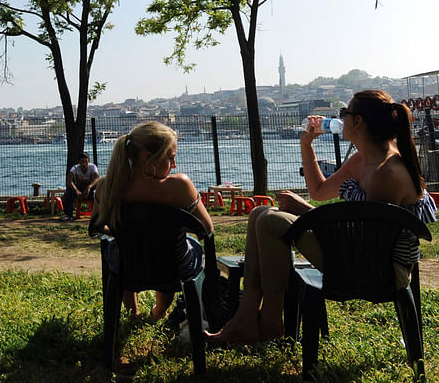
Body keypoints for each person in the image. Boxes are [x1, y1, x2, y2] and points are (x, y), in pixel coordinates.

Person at [207, 90, 437, 344]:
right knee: (261, 213)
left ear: (358, 122)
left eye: (344, 113)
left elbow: (365, 240)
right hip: (356, 252)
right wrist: (307, 145)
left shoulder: (388, 172)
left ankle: (265, 322)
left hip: (376, 267)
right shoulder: (363, 160)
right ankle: (250, 318)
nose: (341, 119)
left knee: (271, 221)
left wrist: (305, 210)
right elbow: (319, 191)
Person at [91, 121, 214, 320]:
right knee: (180, 246)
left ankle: (133, 313)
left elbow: (97, 225)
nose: (174, 165)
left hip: (127, 266)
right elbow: (207, 228)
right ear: (148, 158)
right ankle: (160, 311)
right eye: (170, 158)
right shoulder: (180, 186)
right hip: (173, 269)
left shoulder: (108, 186)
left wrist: (128, 231)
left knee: (122, 247)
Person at [61, 152, 100, 221]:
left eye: (86, 161)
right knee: (68, 193)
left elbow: (97, 178)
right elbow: (69, 180)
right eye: (82, 161)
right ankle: (68, 215)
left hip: (90, 189)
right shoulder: (75, 168)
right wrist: (76, 190)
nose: (84, 164)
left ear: (89, 161)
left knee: (96, 193)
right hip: (79, 188)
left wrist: (89, 187)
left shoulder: (93, 167)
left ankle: (96, 215)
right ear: (79, 162)